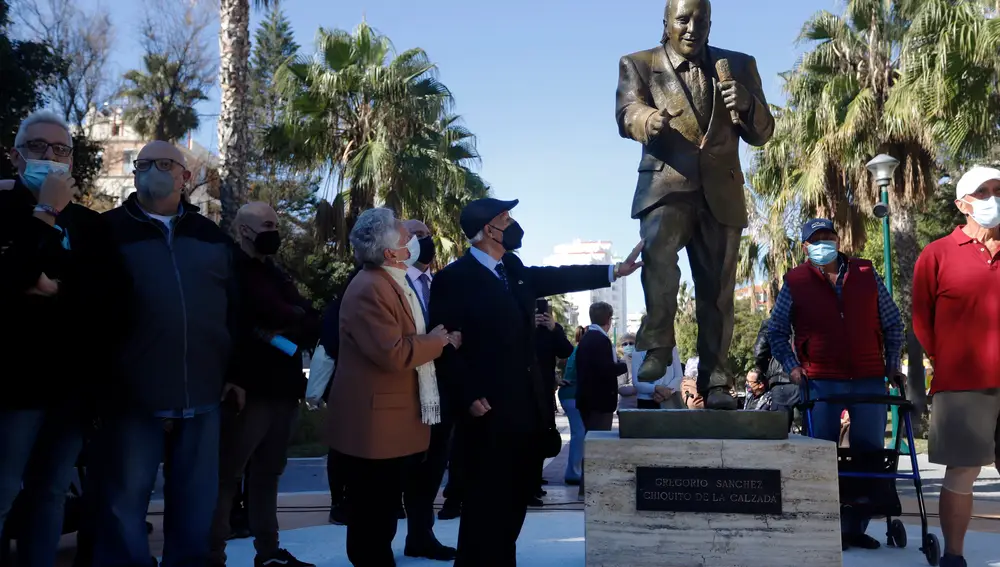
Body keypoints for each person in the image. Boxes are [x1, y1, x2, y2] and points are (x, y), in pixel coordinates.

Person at [429, 198, 642, 566]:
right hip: (486, 410)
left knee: (513, 502)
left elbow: (557, 276)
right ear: (487, 231)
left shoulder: (511, 268)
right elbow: (444, 345)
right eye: (505, 218)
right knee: (484, 504)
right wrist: (467, 394)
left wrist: (614, 271)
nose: (513, 223)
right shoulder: (454, 278)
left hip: (527, 409)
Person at [616, 0, 774, 409]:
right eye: (682, 19)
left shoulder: (738, 65)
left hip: (721, 193)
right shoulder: (639, 63)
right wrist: (645, 120)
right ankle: (656, 344)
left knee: (718, 294)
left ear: (710, 23)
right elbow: (626, 110)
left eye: (700, 20)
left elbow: (762, 132)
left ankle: (717, 381)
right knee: (658, 254)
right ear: (666, 23)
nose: (691, 28)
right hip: (666, 186)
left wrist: (748, 105)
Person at [93, 141, 243, 567]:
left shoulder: (212, 238)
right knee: (123, 503)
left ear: (185, 177)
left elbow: (236, 310)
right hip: (132, 397)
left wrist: (234, 372)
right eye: (144, 165)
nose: (152, 171)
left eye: (163, 164)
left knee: (195, 506)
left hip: (203, 393)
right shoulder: (107, 232)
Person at [0, 110, 114, 567]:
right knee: (4, 489)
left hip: (70, 388)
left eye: (61, 149)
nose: (50, 157)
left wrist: (52, 287)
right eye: (38, 148)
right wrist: (45, 212)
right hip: (13, 385)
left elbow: (106, 298)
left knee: (50, 493)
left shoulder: (91, 226)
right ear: (15, 156)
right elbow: (12, 277)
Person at [325, 208, 461, 567]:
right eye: (405, 237)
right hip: (376, 424)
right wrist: (438, 341)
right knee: (374, 511)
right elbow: (393, 353)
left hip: (391, 420)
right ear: (390, 253)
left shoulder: (390, 280)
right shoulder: (371, 287)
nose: (413, 242)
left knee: (383, 506)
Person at [769, 218, 904, 552]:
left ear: (838, 239)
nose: (824, 243)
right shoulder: (795, 281)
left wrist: (891, 364)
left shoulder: (865, 273)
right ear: (804, 247)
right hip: (821, 380)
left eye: (829, 236)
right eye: (816, 239)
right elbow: (776, 331)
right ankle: (823, 527)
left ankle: (857, 526)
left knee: (869, 454)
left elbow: (892, 322)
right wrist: (793, 367)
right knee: (820, 455)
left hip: (869, 377)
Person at [209, 202, 319, 567]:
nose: (275, 230)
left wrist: (286, 321)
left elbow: (308, 319)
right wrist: (289, 318)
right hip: (247, 390)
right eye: (267, 224)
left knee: (269, 472)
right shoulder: (230, 269)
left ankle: (268, 552)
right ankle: (213, 555)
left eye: (276, 223)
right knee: (228, 475)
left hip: (283, 388)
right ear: (244, 229)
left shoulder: (276, 272)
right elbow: (247, 319)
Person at [912, 166, 1000, 567]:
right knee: (962, 473)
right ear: (962, 204)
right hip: (963, 384)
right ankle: (954, 556)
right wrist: (946, 359)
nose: (993, 198)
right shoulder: (936, 255)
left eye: (998, 190)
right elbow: (921, 319)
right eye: (983, 192)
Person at [399, 218, 457, 561]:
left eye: (426, 234)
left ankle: (421, 535)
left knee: (434, 466)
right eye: (416, 236)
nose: (425, 240)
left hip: (440, 391)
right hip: (405, 388)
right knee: (404, 469)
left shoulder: (440, 283)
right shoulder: (392, 282)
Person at [318, 266, 362, 527]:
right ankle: (339, 502)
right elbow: (331, 343)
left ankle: (349, 499)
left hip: (353, 385)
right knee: (343, 448)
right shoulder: (341, 308)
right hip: (343, 385)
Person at [576, 302, 630, 431]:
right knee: (598, 440)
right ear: (609, 320)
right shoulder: (600, 339)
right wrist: (623, 365)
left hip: (588, 401)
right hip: (599, 403)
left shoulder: (587, 337)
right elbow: (604, 369)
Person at [754, 317, 798, 429]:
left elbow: (759, 353)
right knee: (811, 430)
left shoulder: (770, 322)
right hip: (803, 376)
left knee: (779, 430)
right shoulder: (806, 318)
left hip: (779, 380)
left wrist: (764, 372)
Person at [557, 327, 588, 486]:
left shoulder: (577, 349)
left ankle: (575, 471)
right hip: (573, 395)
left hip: (568, 394)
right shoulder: (583, 351)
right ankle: (574, 473)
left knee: (578, 432)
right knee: (579, 433)